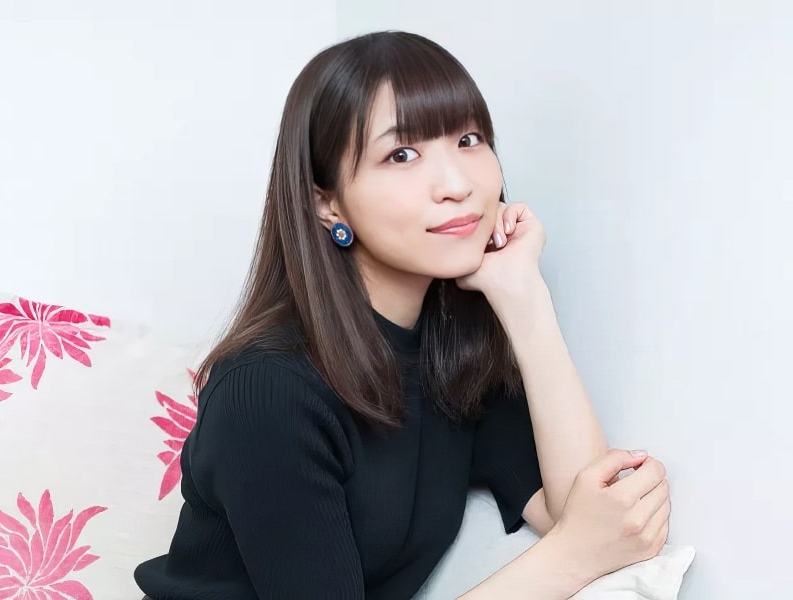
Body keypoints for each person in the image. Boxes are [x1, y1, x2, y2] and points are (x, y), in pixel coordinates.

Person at [134, 30, 671, 599]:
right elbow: (585, 540)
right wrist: (571, 556)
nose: (458, 185)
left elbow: (587, 508)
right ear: (326, 203)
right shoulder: (267, 390)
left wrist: (523, 294)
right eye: (401, 155)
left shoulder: (453, 347)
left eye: (468, 139)